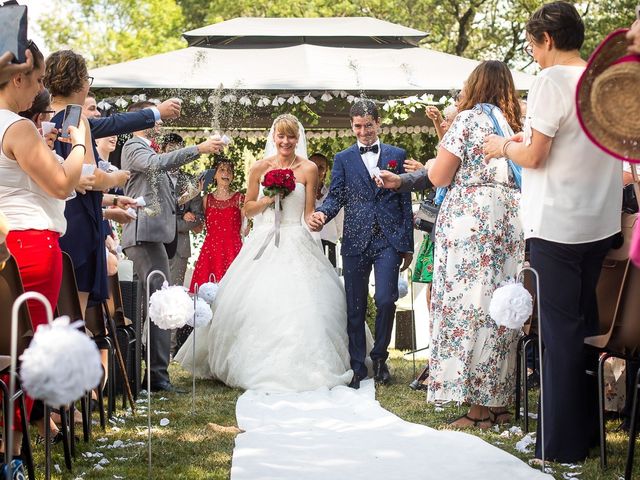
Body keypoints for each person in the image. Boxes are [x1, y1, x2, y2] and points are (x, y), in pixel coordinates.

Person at [483, 2, 622, 462]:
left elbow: (536, 157)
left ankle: (559, 445)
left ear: (547, 39)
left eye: (531, 45)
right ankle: (585, 435)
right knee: (581, 332)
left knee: (558, 337)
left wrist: (502, 145)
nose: (532, 55)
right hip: (599, 225)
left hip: (557, 227)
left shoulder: (550, 81)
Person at [175, 114, 353, 392]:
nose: (285, 141)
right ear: (274, 138)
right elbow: (247, 209)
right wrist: (270, 199)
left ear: (298, 139)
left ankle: (308, 364)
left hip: (297, 238)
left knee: (306, 304)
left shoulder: (308, 169)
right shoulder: (259, 167)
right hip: (264, 239)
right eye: (281, 136)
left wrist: (317, 219)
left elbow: (307, 214)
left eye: (291, 137)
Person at [420, 60, 525, 429]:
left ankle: (478, 409)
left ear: (475, 85)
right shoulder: (514, 125)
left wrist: (434, 161)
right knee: (502, 307)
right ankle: (499, 402)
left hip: (471, 219)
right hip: (510, 218)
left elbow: (439, 174)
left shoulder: (467, 120)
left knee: (470, 306)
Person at [0, 40, 85, 475]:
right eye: (35, 81)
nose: (39, 91)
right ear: (17, 78)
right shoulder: (16, 127)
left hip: (4, 244)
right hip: (32, 245)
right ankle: (11, 450)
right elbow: (61, 186)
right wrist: (80, 145)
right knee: (28, 353)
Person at [120, 101, 224, 393]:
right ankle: (157, 377)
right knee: (163, 303)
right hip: (143, 236)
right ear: (140, 119)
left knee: (161, 303)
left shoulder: (147, 148)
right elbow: (156, 165)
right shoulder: (133, 146)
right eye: (154, 117)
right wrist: (199, 149)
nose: (160, 122)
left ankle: (156, 375)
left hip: (155, 236)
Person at [309, 100, 414, 389]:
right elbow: (336, 196)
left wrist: (407, 244)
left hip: (388, 240)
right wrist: (322, 212)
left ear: (378, 123)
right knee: (354, 306)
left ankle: (379, 357)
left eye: (369, 125)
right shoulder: (343, 158)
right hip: (355, 239)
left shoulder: (397, 154)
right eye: (358, 126)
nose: (364, 131)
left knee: (385, 299)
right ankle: (358, 365)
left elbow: (405, 200)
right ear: (351, 126)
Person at [189, 158, 245, 290]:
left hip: (233, 249)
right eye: (222, 170)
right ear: (214, 174)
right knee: (205, 291)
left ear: (233, 176)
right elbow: (198, 229)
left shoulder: (240, 198)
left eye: (229, 171)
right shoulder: (206, 199)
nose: (226, 173)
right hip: (211, 252)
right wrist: (190, 217)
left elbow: (246, 229)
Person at [308, 152, 343, 268]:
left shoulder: (333, 195)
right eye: (313, 166)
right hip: (306, 246)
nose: (316, 171)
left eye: (321, 167)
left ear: (326, 170)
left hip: (329, 245)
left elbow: (340, 224)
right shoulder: (300, 194)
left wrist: (330, 237)